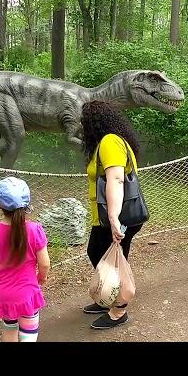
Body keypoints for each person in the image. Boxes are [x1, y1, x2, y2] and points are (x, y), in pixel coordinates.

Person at [80, 100, 144, 329]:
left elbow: (116, 179)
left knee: (114, 260)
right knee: (96, 251)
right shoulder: (111, 141)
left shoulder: (110, 142)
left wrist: (114, 218)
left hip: (117, 215)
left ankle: (119, 309)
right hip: (107, 216)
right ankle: (108, 296)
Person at [0, 176, 51, 342]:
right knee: (28, 332)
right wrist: (41, 277)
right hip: (27, 293)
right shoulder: (35, 230)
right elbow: (45, 263)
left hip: (2, 293)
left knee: (9, 328)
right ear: (27, 206)